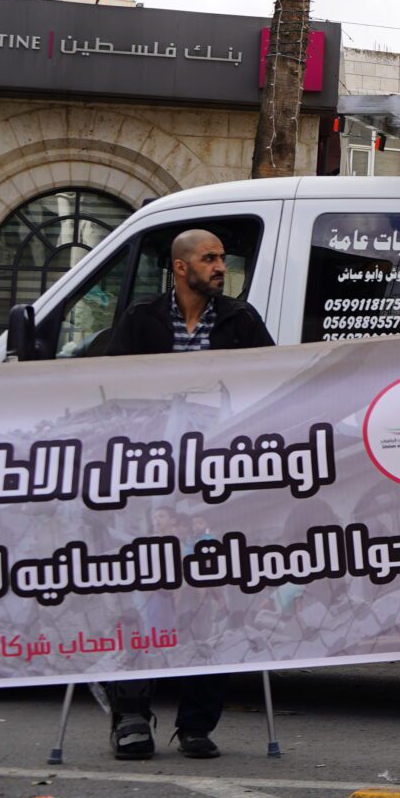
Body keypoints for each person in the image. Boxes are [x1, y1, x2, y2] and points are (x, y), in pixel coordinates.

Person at [106, 229, 272, 760]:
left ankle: (198, 723)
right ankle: (131, 717)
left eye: (223, 257)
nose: (220, 266)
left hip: (217, 489)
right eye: (210, 258)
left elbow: (271, 389)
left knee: (215, 598)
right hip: (148, 485)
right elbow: (110, 393)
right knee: (141, 597)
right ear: (181, 268)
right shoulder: (140, 320)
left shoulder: (240, 321)